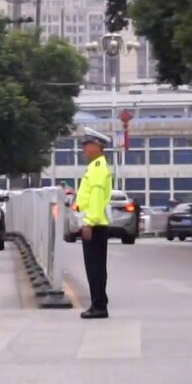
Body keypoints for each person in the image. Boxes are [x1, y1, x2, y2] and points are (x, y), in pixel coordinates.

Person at [74, 131, 115, 319]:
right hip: (95, 223)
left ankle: (99, 306)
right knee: (95, 267)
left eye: (86, 145)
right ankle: (98, 303)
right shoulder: (95, 167)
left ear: (97, 147)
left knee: (95, 268)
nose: (83, 150)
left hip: (95, 225)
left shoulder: (98, 168)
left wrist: (89, 223)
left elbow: (97, 198)